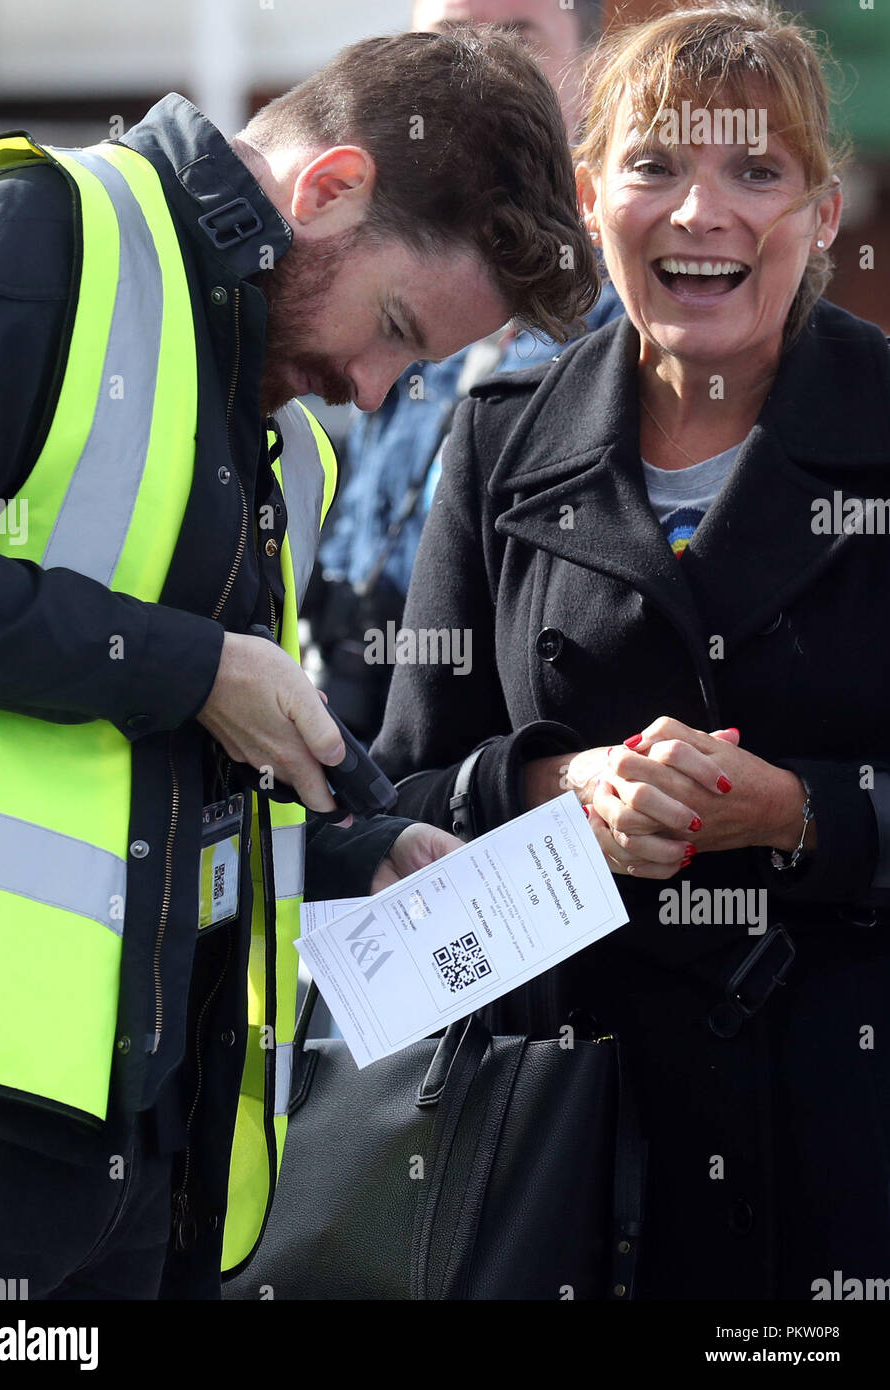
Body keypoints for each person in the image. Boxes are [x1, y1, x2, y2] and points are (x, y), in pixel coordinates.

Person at [0, 28, 595, 1299]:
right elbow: (174, 686)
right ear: (330, 185)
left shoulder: (287, 439)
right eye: (396, 328)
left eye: (416, 364)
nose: (369, 388)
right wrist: (193, 666)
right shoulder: (45, 229)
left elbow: (147, 770)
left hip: (152, 1153)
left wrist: (358, 849)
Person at [372, 1, 890, 1299]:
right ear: (589, 195)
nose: (697, 211)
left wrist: (803, 813)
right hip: (560, 1145)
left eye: (753, 171)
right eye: (652, 165)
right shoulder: (496, 440)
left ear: (820, 217)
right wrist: (559, 790)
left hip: (844, 1145)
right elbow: (394, 799)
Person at [308, 0, 622, 744]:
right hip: (355, 710)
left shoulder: (638, 314)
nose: (476, 70)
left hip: (505, 751)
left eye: (515, 40)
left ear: (589, 73)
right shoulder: (369, 251)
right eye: (447, 42)